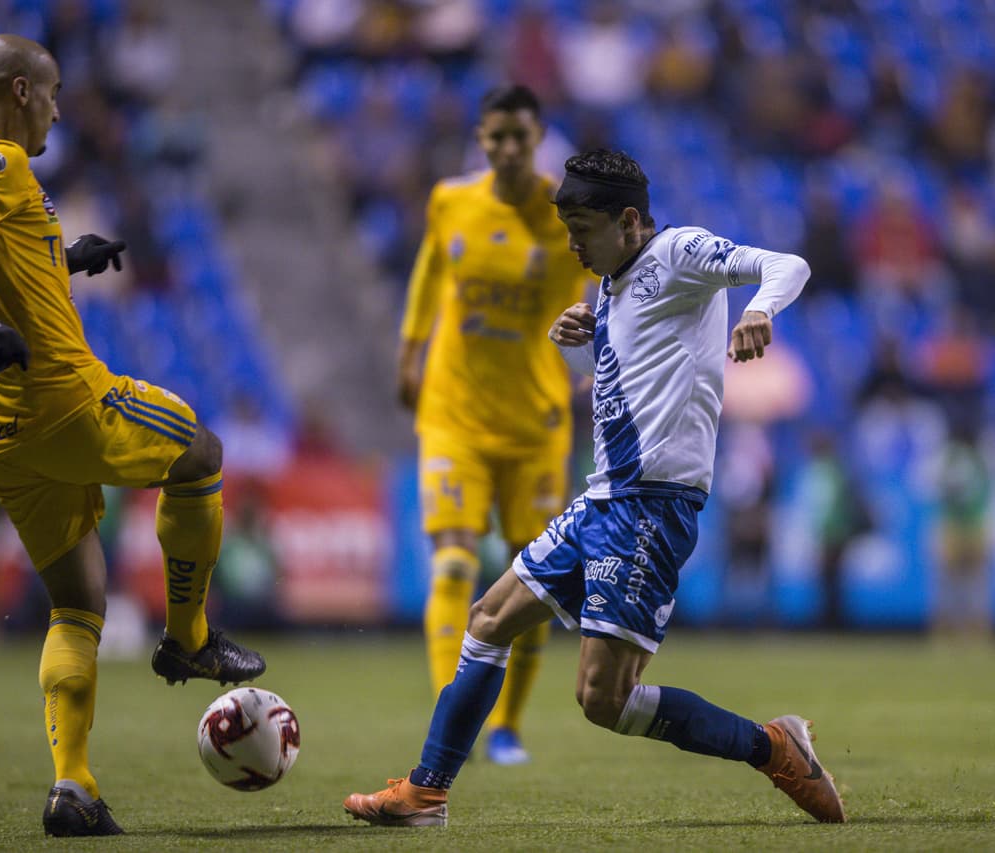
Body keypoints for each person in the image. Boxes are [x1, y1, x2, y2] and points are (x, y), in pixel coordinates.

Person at [345, 149, 845, 826]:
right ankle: (427, 791)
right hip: (602, 499)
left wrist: (759, 310)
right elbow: (622, 380)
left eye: (583, 228)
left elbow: (787, 264)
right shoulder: (611, 288)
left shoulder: (677, 252)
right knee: (489, 620)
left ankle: (773, 746)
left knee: (604, 701)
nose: (573, 245)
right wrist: (577, 345)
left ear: (630, 219)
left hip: (651, 509)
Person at [0, 35, 265, 837]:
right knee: (201, 454)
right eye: (54, 90)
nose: (61, 108)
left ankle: (73, 785)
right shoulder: (0, 161)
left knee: (77, 604)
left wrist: (62, 258)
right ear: (21, 91)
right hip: (62, 397)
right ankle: (190, 637)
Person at [397, 84, 592, 765]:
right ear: (480, 139)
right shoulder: (452, 201)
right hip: (454, 412)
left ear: (539, 140)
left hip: (537, 420)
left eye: (521, 138)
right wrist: (409, 349)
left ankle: (505, 725)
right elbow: (428, 271)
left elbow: (610, 282)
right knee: (452, 559)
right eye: (496, 137)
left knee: (533, 580)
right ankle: (451, 711)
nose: (508, 149)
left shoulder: (565, 217)